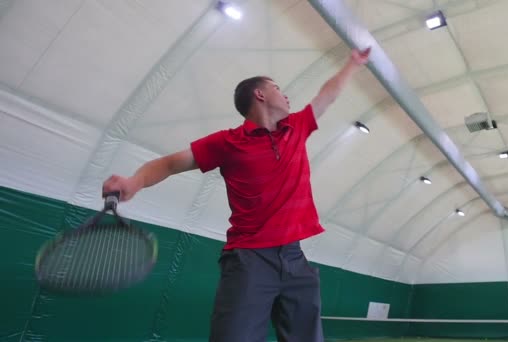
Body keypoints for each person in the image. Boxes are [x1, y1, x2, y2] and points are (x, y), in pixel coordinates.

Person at [102, 47, 371, 342]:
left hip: (295, 259)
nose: (286, 95)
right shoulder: (227, 143)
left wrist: (353, 65)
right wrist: (134, 182)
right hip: (249, 260)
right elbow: (168, 164)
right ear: (260, 95)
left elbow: (328, 95)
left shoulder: (297, 127)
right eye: (277, 88)